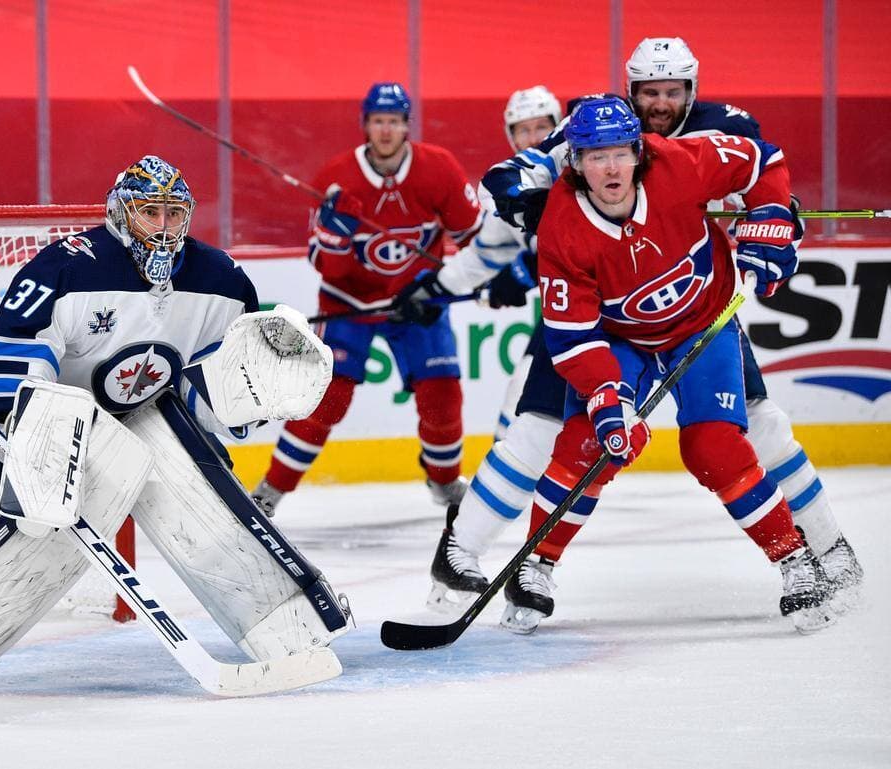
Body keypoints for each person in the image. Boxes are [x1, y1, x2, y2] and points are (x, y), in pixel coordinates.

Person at [0, 156, 351, 693]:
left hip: (147, 418)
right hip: (54, 430)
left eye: (175, 214)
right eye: (151, 212)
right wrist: (29, 442)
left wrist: (249, 391)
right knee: (59, 509)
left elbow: (204, 400)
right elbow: (5, 372)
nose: (164, 227)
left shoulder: (221, 281)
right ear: (122, 213)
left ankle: (291, 624)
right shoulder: (66, 268)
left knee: (194, 483)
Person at [437, 37, 861, 612]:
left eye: (672, 91)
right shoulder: (594, 138)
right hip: (606, 317)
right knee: (552, 431)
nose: (660, 102)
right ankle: (478, 553)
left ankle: (823, 549)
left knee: (747, 431)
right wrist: (521, 195)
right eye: (649, 91)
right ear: (629, 93)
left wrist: (774, 217)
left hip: (698, 310)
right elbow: (516, 178)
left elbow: (766, 173)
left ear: (690, 91)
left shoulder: (706, 141)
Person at [502, 96, 832, 634]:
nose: (610, 168)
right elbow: (571, 334)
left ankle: (796, 559)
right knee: (589, 442)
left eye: (619, 153)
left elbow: (762, 160)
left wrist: (772, 215)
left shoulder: (681, 162)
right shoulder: (562, 226)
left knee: (713, 448)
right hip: (621, 338)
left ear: (638, 152)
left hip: (704, 323)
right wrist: (606, 396)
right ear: (575, 163)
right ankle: (536, 565)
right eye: (595, 157)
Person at [251, 82, 490, 516]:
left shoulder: (438, 168)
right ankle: (271, 490)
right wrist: (337, 238)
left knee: (442, 395)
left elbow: (474, 237)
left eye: (394, 121)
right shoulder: (336, 179)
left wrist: (487, 277)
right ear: (365, 125)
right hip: (349, 303)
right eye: (378, 121)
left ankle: (444, 481)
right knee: (328, 399)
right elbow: (326, 266)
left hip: (418, 303)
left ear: (407, 125)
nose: (386, 130)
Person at [392, 85, 561, 606]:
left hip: (634, 322)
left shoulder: (590, 167)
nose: (533, 138)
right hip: (570, 327)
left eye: (542, 127)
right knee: (521, 435)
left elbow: (585, 241)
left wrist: (523, 273)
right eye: (522, 131)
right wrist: (434, 290)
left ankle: (526, 562)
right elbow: (488, 255)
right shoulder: (515, 190)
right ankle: (478, 554)